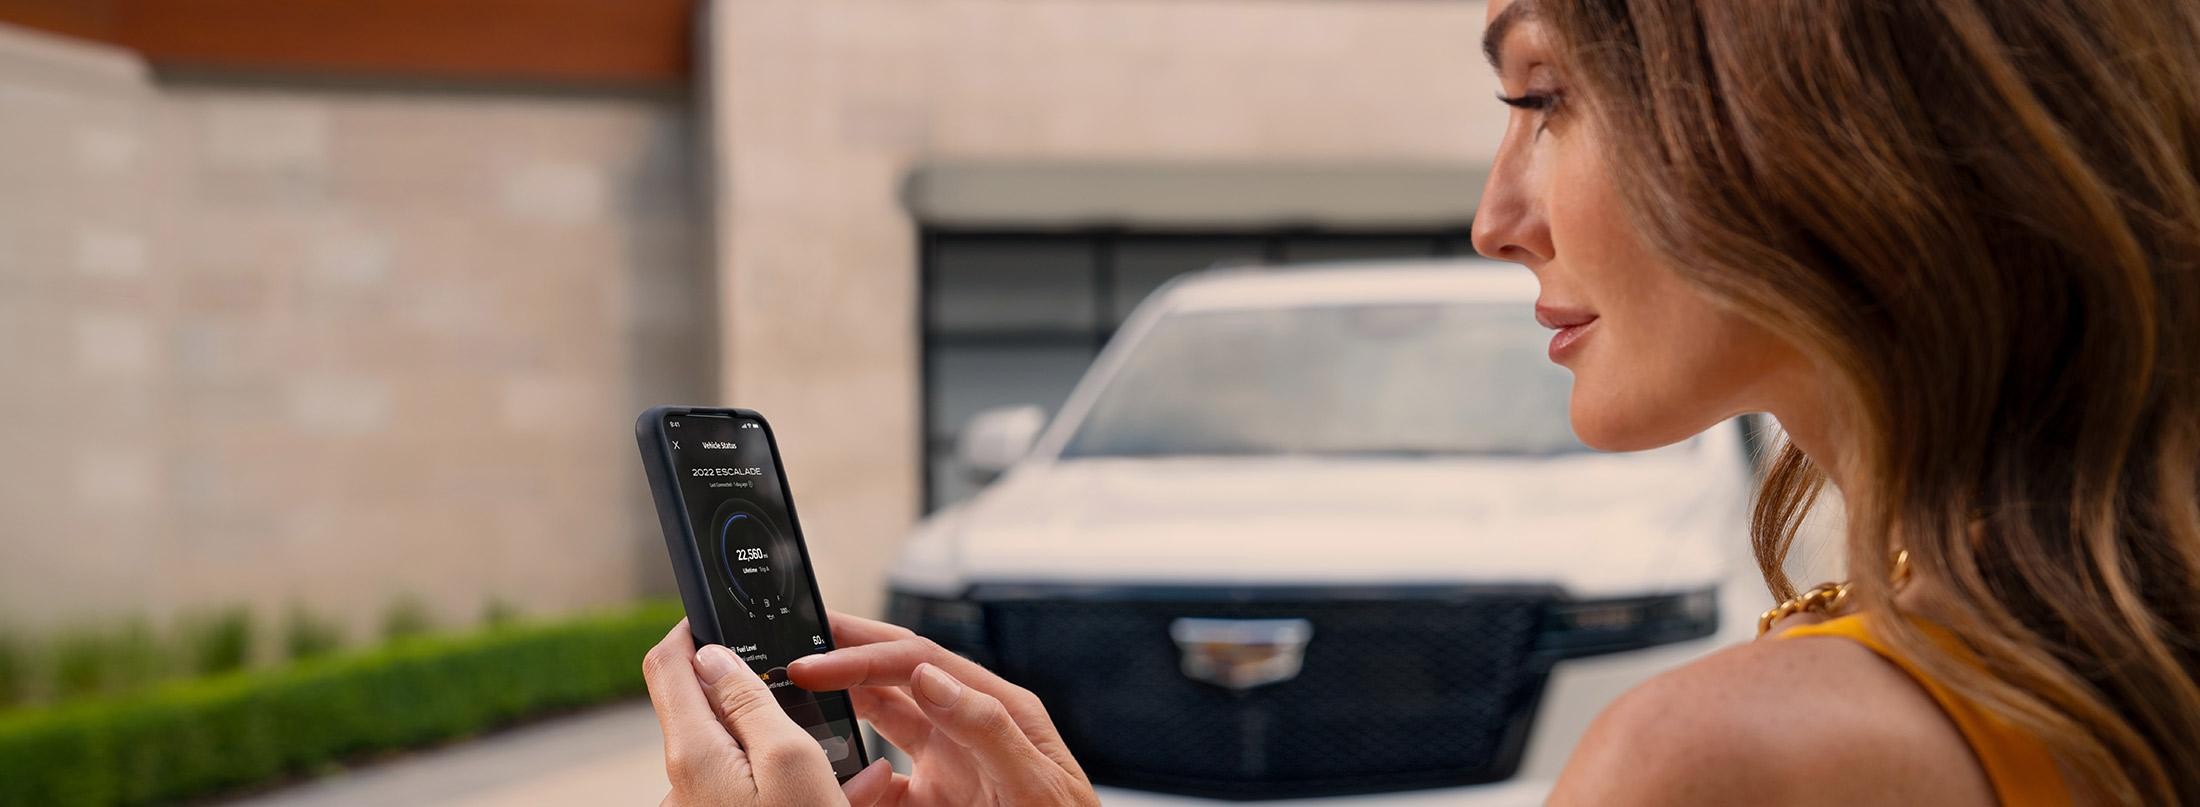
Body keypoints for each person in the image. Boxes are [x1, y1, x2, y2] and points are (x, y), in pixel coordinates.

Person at [641, 0, 2200, 802]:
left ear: (1808, 111)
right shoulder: (2085, 655)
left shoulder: (1745, 755)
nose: (1496, 211)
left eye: (1543, 99)